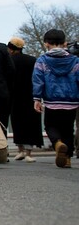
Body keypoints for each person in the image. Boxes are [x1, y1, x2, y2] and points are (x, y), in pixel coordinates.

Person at [33, 29, 79, 168]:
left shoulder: (42, 61)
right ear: (64, 43)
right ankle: (68, 159)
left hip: (52, 101)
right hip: (71, 101)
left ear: (46, 43)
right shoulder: (75, 60)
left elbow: (37, 80)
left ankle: (58, 143)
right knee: (68, 130)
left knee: (50, 126)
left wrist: (36, 99)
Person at [7, 37, 43, 163]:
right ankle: (28, 152)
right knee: (30, 123)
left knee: (17, 123)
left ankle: (20, 150)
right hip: (30, 95)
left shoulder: (9, 61)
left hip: (14, 96)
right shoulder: (32, 60)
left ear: (10, 49)